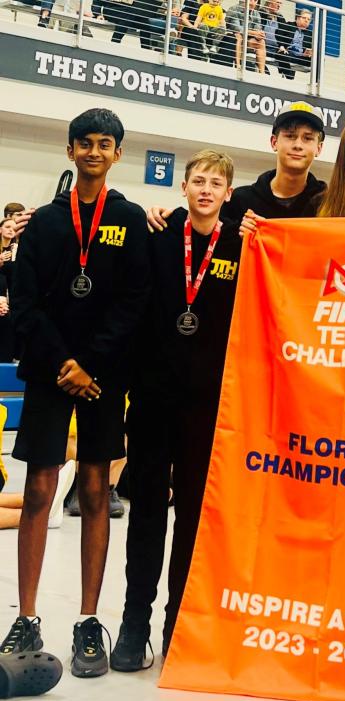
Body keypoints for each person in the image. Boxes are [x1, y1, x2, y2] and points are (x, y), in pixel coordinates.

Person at [0, 108, 150, 679]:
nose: (92, 151)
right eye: (83, 143)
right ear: (69, 152)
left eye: (103, 143)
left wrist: (91, 364)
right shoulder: (43, 223)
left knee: (93, 490)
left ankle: (89, 619)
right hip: (49, 372)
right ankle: (29, 615)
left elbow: (135, 299)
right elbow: (26, 298)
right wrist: (64, 362)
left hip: (104, 377)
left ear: (117, 154)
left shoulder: (131, 219)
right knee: (39, 488)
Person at [110, 149, 243, 668]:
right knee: (146, 511)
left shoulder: (241, 244)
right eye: (199, 181)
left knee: (192, 516)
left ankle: (178, 624)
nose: (206, 190)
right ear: (184, 187)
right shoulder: (157, 236)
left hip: (207, 407)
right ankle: (133, 620)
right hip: (151, 399)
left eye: (216, 183)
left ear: (229, 194)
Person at [147, 101, 327, 234]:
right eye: (290, 136)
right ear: (274, 142)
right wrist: (167, 217)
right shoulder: (239, 201)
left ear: (319, 148)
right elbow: (203, 230)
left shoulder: (329, 204)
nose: (298, 145)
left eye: (308, 138)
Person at [225, 0, 266, 73]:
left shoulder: (256, 14)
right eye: (250, 0)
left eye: (255, 0)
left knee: (261, 42)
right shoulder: (234, 9)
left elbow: (257, 29)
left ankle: (262, 72)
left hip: (247, 38)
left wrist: (260, 35)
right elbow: (237, 28)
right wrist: (254, 33)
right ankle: (238, 66)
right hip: (232, 37)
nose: (252, 3)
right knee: (239, 36)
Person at [0, 217, 16, 363]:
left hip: (11, 295)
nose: (12, 230)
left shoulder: (17, 249)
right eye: (8, 227)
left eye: (14, 228)